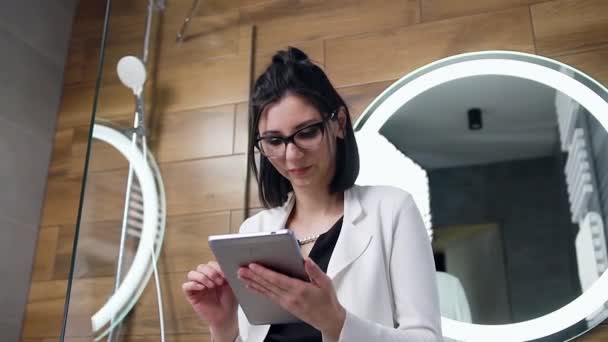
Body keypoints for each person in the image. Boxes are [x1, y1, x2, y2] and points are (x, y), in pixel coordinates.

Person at [182, 47, 442, 342]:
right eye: (274, 140)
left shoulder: (392, 210)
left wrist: (337, 322)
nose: (291, 155)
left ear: (339, 123)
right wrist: (223, 327)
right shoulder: (254, 230)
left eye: (306, 132)